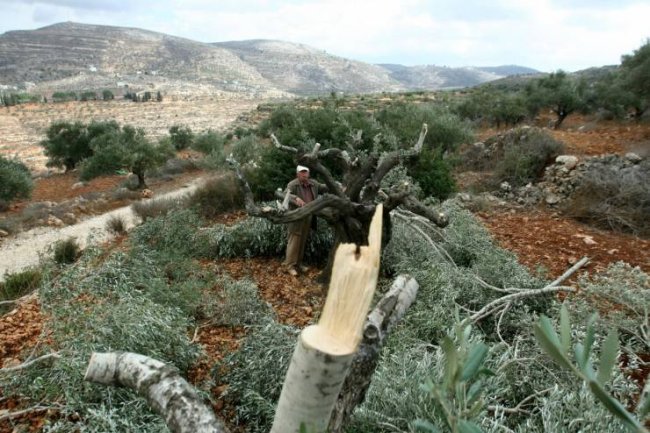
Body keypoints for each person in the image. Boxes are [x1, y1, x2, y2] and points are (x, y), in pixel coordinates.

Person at [283, 165, 327, 276]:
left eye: (306, 172)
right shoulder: (293, 184)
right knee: (294, 242)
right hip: (297, 217)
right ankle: (290, 266)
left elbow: (323, 187)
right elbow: (284, 194)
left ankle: (298, 264)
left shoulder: (313, 184)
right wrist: (295, 198)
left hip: (309, 217)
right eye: (302, 172)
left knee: (302, 241)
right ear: (297, 174)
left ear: (309, 173)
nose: (304, 174)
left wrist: (336, 185)